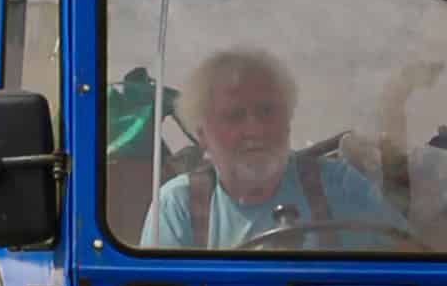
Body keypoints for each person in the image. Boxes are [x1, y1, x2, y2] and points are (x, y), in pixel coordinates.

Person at [144, 39, 402, 252]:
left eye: (267, 111)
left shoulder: (341, 186)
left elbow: (411, 278)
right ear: (202, 135)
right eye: (234, 116)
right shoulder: (179, 206)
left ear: (288, 121)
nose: (255, 129)